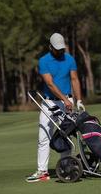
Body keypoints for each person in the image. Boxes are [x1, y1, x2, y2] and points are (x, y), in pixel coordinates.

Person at [26, 33, 85, 183]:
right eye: (57, 49)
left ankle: (65, 167)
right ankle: (42, 172)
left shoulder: (70, 59)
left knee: (67, 135)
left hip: (68, 101)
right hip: (49, 102)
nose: (60, 52)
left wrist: (79, 100)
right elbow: (50, 84)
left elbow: (74, 79)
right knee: (44, 136)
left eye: (62, 49)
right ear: (50, 47)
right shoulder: (44, 61)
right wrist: (65, 100)